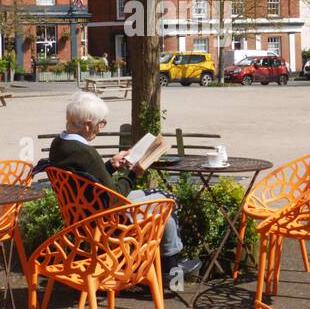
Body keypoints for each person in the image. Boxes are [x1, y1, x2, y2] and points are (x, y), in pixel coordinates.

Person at [47, 91, 199, 279]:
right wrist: (133, 174)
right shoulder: (86, 152)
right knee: (168, 201)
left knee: (159, 195)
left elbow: (89, 180)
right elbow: (114, 198)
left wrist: (111, 165)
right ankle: (170, 266)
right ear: (87, 125)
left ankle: (168, 262)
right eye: (100, 123)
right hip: (107, 219)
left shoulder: (59, 144)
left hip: (84, 212)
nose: (101, 128)